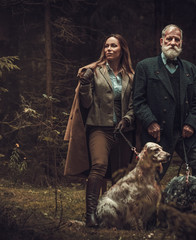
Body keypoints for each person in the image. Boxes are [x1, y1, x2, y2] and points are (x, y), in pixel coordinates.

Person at [64, 34, 135, 227]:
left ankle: (114, 216)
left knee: (120, 175)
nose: (109, 49)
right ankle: (91, 215)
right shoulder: (94, 71)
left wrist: (127, 119)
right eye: (106, 46)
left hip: (123, 132)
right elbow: (86, 103)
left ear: (122, 50)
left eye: (113, 46)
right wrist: (85, 84)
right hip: (99, 128)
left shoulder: (131, 76)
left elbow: (134, 104)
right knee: (99, 166)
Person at [133, 24, 196, 185]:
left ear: (181, 43)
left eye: (177, 40)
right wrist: (150, 122)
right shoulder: (145, 67)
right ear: (162, 41)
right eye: (169, 39)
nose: (173, 42)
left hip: (187, 132)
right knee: (151, 176)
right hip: (158, 132)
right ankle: (146, 208)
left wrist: (191, 123)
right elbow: (138, 101)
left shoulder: (192, 69)